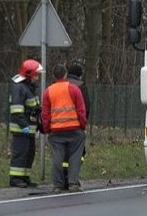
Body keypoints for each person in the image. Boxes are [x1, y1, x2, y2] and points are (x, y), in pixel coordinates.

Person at [42, 64, 88, 193]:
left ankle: (57, 184)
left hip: (56, 130)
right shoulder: (73, 89)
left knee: (57, 157)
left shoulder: (48, 91)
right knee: (75, 157)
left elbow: (45, 113)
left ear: (53, 76)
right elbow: (81, 110)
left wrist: (47, 129)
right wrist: (82, 126)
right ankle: (73, 183)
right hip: (74, 129)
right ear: (65, 75)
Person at [8, 59, 43, 188]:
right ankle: (15, 179)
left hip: (29, 128)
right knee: (20, 154)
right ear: (29, 74)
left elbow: (33, 107)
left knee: (29, 154)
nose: (37, 78)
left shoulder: (28, 87)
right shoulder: (19, 87)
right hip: (21, 129)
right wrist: (24, 126)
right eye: (35, 75)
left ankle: (24, 176)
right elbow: (17, 110)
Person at [63, 61, 91, 185]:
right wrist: (83, 124)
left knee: (63, 152)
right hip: (76, 125)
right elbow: (85, 107)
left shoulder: (60, 84)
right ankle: (72, 176)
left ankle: (63, 176)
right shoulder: (81, 86)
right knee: (79, 152)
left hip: (58, 125)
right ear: (80, 75)